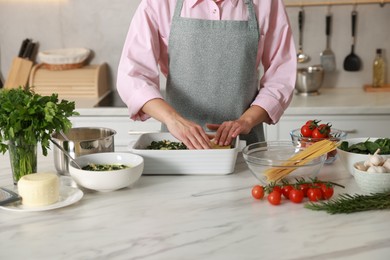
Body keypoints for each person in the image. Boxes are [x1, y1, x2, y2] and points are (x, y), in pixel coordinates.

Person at [117, 0, 296, 149]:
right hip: (177, 146)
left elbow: (282, 74)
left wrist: (247, 120)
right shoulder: (159, 3)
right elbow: (133, 75)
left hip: (244, 145)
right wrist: (172, 120)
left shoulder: (266, 3)